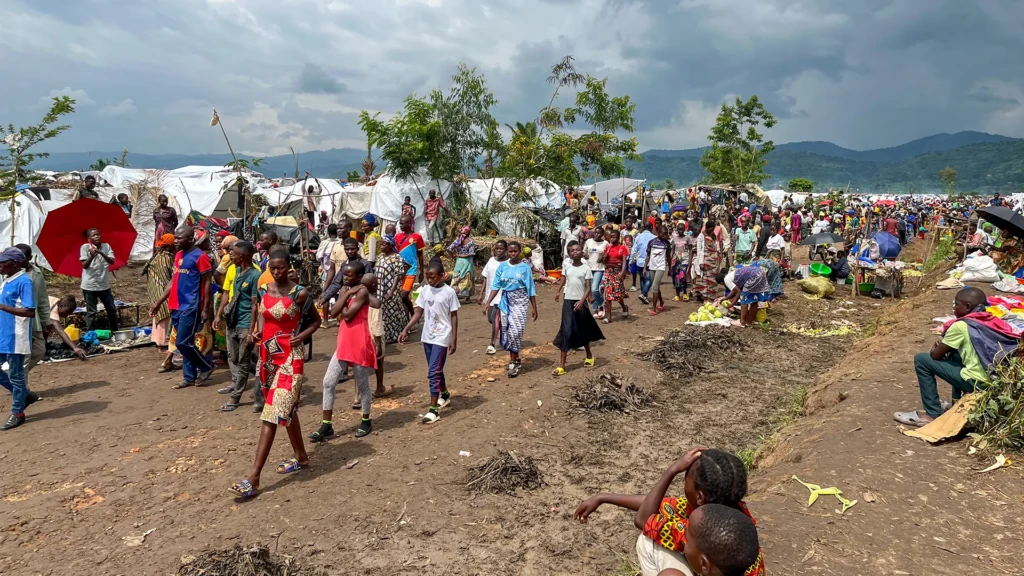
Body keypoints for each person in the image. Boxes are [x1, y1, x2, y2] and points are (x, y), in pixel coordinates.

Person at [574, 449, 761, 576]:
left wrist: (671, 471)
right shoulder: (733, 521)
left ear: (700, 497)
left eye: (685, 478)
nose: (683, 482)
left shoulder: (697, 529)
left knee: (649, 543)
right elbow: (661, 504)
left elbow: (644, 519)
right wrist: (604, 497)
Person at [228, 247, 320, 499]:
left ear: (289, 267)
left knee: (271, 413)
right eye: (273, 268)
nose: (276, 272)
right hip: (268, 357)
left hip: (291, 358)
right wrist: (257, 332)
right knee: (286, 409)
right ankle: (301, 456)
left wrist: (301, 335)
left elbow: (316, 321)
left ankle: (254, 477)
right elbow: (261, 315)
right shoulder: (263, 290)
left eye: (281, 267)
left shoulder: (300, 294)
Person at [895, 287, 1019, 427]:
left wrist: (938, 346)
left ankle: (931, 414)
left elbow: (935, 355)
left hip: (977, 381)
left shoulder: (960, 326)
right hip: (995, 379)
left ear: (967, 307)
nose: (953, 308)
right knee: (954, 354)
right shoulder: (995, 321)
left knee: (922, 360)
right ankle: (956, 403)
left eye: (956, 304)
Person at [311, 261, 377, 441]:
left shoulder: (362, 292)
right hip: (345, 341)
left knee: (362, 384)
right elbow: (332, 313)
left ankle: (366, 419)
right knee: (328, 382)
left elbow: (346, 315)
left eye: (349, 275)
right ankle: (326, 424)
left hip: (359, 341)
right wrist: (346, 294)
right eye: (345, 275)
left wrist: (344, 298)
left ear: (359, 277)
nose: (345, 278)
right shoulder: (346, 291)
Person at [150, 225, 216, 389]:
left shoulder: (200, 257)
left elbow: (208, 283)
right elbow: (173, 281)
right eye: (175, 238)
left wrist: (205, 308)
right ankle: (189, 377)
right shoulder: (178, 255)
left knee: (182, 342)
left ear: (190, 239)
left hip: (191, 305)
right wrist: (158, 303)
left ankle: (206, 366)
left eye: (180, 238)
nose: (176, 241)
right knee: (186, 343)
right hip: (176, 305)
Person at [400, 258, 460, 424]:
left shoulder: (449, 293)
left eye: (433, 277)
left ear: (442, 276)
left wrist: (453, 339)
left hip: (442, 336)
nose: (429, 280)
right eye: (427, 277)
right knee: (436, 370)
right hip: (427, 336)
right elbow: (418, 313)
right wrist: (406, 329)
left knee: (433, 372)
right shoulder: (425, 290)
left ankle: (434, 410)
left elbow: (454, 316)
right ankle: (445, 394)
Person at [15, 244, 85, 370]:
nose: (17, 260)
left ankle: (16, 376)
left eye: (21, 258)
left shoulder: (36, 273)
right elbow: (59, 330)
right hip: (14, 319)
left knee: (39, 351)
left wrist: (44, 323)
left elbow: (42, 300)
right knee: (22, 355)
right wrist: (74, 347)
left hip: (33, 320)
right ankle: (19, 384)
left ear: (30, 257)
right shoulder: (8, 272)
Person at [216, 241, 263, 412]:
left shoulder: (255, 275)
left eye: (233, 254)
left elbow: (255, 305)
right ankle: (262, 372)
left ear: (241, 256)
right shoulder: (235, 271)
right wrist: (219, 315)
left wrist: (252, 330)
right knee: (235, 358)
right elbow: (229, 294)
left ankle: (235, 398)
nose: (230, 256)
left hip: (245, 324)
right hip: (232, 321)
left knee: (242, 362)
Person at [0, 248, 39, 430]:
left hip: (16, 335)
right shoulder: (7, 280)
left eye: (3, 262)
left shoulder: (24, 281)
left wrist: (2, 307)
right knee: (12, 376)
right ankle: (25, 395)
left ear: (15, 263)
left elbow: (30, 311)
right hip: (3, 334)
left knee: (16, 376)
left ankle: (18, 412)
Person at [552, 241, 603, 375]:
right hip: (568, 301)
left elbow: (588, 287)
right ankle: (562, 366)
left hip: (580, 302)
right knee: (566, 330)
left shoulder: (586, 268)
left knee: (582, 328)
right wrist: (558, 291)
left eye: (578, 250)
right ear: (569, 253)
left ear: (582, 252)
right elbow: (564, 278)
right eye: (572, 250)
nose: (575, 252)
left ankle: (589, 355)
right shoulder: (567, 266)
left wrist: (582, 301)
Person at [487, 241, 537, 378]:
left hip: (521, 302)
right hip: (505, 302)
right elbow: (496, 286)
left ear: (520, 252)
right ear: (507, 252)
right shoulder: (502, 267)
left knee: (516, 332)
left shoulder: (525, 268)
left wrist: (534, 307)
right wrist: (488, 302)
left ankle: (512, 362)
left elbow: (530, 288)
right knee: (508, 332)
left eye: (515, 251)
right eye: (510, 251)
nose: (513, 254)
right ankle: (515, 358)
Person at [79, 227, 120, 333]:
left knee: (111, 309)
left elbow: (111, 261)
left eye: (98, 234)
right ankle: (90, 333)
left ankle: (115, 331)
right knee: (91, 311)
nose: (97, 236)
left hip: (104, 284)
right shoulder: (85, 247)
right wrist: (92, 256)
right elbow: (84, 265)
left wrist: (101, 253)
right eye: (93, 235)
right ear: (89, 238)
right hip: (89, 285)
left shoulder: (106, 246)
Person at [374, 235, 407, 344]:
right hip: (380, 289)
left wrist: (392, 291)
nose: (381, 246)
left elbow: (398, 275)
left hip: (391, 288)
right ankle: (385, 335)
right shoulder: (379, 257)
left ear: (390, 245)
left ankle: (395, 334)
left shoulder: (397, 258)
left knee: (393, 311)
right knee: (382, 312)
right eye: (380, 244)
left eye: (384, 244)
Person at [480, 239, 508, 354]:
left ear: (505, 250)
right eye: (497, 248)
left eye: (501, 249)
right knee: (491, 319)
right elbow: (486, 277)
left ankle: (492, 344)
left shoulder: (508, 263)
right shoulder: (491, 260)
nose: (499, 251)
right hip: (490, 295)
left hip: (501, 295)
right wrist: (481, 294)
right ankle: (504, 331)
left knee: (495, 318)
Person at [395, 215, 426, 317]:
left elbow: (420, 255)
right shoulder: (397, 237)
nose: (401, 225)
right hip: (399, 269)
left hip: (411, 269)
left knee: (403, 295)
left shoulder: (417, 237)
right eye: (400, 223)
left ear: (409, 223)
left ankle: (413, 314)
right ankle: (407, 320)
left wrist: (422, 271)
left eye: (403, 223)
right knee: (401, 296)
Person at [600, 228, 631, 323]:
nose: (612, 239)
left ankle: (624, 307)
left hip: (618, 272)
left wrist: (622, 272)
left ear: (618, 238)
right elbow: (603, 261)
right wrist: (604, 257)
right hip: (608, 271)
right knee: (608, 294)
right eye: (610, 237)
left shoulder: (622, 248)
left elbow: (624, 261)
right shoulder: (608, 248)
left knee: (617, 294)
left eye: (614, 237)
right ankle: (609, 317)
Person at [644, 225, 671, 316]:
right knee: (656, 286)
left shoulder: (667, 243)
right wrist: (645, 267)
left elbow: (668, 257)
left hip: (661, 266)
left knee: (654, 286)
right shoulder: (651, 242)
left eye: (666, 234)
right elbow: (648, 255)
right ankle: (662, 302)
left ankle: (654, 308)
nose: (665, 235)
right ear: (658, 233)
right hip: (652, 266)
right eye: (663, 234)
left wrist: (670, 268)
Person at [691, 221, 720, 302]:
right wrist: (700, 262)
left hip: (713, 262)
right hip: (705, 261)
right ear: (707, 228)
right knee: (705, 280)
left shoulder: (713, 235)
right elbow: (699, 249)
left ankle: (712, 296)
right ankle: (705, 297)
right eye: (711, 229)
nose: (712, 230)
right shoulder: (701, 236)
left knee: (712, 280)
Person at [583, 226, 608, 318]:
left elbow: (607, 253)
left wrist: (603, 257)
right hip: (589, 267)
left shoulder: (605, 243)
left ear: (602, 234)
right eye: (595, 232)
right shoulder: (589, 241)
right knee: (590, 289)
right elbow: (583, 251)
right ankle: (596, 308)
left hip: (599, 268)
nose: (597, 234)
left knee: (594, 288)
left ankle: (601, 305)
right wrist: (584, 254)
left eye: (599, 233)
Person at [447, 225, 477, 301]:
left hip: (459, 262)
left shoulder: (457, 240)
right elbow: (471, 253)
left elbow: (449, 249)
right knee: (468, 278)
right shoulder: (470, 242)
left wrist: (454, 256)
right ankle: (467, 297)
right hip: (467, 262)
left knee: (457, 277)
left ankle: (454, 294)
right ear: (468, 233)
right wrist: (460, 255)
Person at [631, 222, 656, 302]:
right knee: (649, 279)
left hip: (640, 261)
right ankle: (643, 294)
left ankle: (643, 295)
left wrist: (631, 260)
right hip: (650, 261)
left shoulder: (638, 237)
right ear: (651, 228)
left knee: (642, 278)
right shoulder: (654, 237)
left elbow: (634, 250)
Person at [670, 223, 695, 302]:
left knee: (682, 275)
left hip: (685, 257)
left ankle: (684, 292)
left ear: (684, 230)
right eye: (679, 229)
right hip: (676, 258)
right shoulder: (674, 238)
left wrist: (690, 260)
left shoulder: (687, 238)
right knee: (676, 276)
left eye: (682, 229)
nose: (680, 231)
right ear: (677, 229)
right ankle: (677, 295)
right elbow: (673, 249)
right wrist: (671, 260)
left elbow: (691, 249)